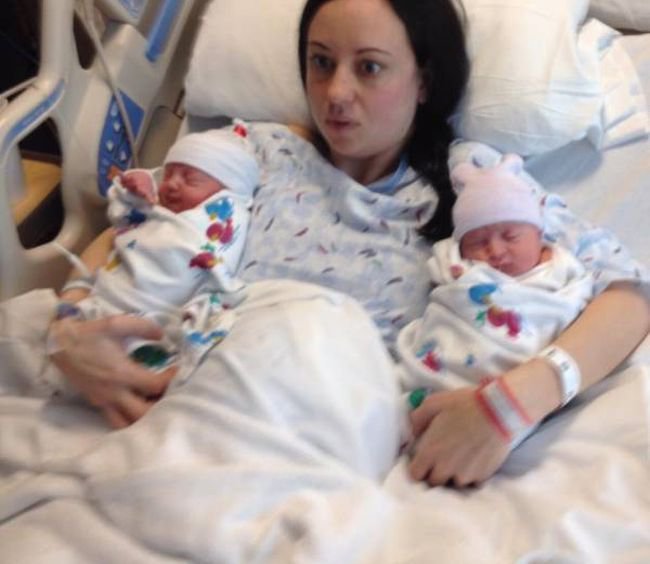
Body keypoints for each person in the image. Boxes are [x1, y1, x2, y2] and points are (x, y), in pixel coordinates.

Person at [44, 0, 648, 486]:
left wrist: (513, 405)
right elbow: (138, 229)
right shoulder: (256, 150)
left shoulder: (476, 186)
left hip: (325, 440)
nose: (335, 92)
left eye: (370, 67)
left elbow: (628, 294)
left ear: (423, 81)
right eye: (321, 61)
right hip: (197, 402)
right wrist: (68, 330)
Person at [397, 154, 595, 445]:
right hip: (449, 362)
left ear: (538, 234)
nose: (496, 251)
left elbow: (578, 311)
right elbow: (446, 299)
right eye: (478, 242)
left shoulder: (563, 272)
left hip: (523, 387)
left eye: (510, 236)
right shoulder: (457, 267)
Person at [50, 124, 258, 381]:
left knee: (140, 354)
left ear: (227, 190)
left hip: (157, 310)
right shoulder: (161, 210)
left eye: (190, 179)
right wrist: (139, 185)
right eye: (167, 175)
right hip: (108, 292)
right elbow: (123, 218)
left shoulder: (229, 209)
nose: (171, 185)